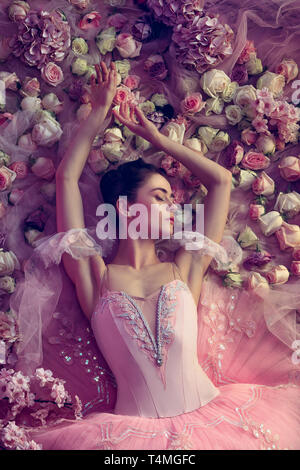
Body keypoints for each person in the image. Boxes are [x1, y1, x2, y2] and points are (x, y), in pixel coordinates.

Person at [13, 60, 298, 451]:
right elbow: (66, 178)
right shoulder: (95, 275)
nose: (172, 207)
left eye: (172, 198)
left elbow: (221, 181)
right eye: (160, 198)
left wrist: (159, 140)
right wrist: (97, 114)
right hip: (130, 441)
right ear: (126, 208)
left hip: (219, 423)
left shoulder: (185, 266)